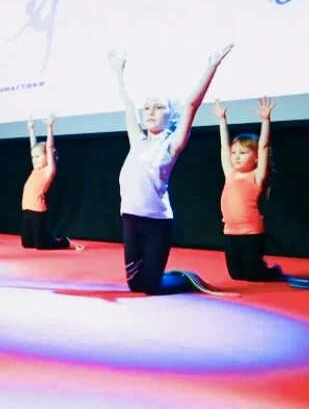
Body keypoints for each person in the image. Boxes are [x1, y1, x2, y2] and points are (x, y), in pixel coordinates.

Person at [107, 44, 233, 295]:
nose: (150, 112)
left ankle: (186, 279)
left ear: (171, 115)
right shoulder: (137, 139)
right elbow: (129, 105)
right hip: (130, 218)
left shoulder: (172, 144)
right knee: (135, 285)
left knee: (151, 287)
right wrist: (119, 73)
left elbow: (191, 105)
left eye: (159, 107)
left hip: (157, 222)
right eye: (148, 108)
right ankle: (165, 275)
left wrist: (212, 66)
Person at [212, 97, 284, 281]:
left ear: (256, 158)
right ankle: (259, 266)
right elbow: (224, 146)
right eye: (234, 153)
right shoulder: (230, 173)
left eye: (243, 153)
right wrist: (222, 120)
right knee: (236, 275)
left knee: (252, 276)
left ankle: (271, 271)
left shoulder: (257, 176)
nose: (236, 157)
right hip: (230, 231)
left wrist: (266, 121)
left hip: (252, 232)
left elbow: (264, 146)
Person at [21, 114, 82, 250]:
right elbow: (33, 146)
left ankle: (64, 242)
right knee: (27, 244)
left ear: (47, 157)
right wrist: (31, 129)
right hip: (26, 210)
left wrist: (49, 127)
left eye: (38, 157)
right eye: (33, 157)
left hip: (38, 211)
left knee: (41, 246)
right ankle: (48, 238)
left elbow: (49, 147)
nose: (34, 160)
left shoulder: (48, 170)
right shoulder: (36, 169)